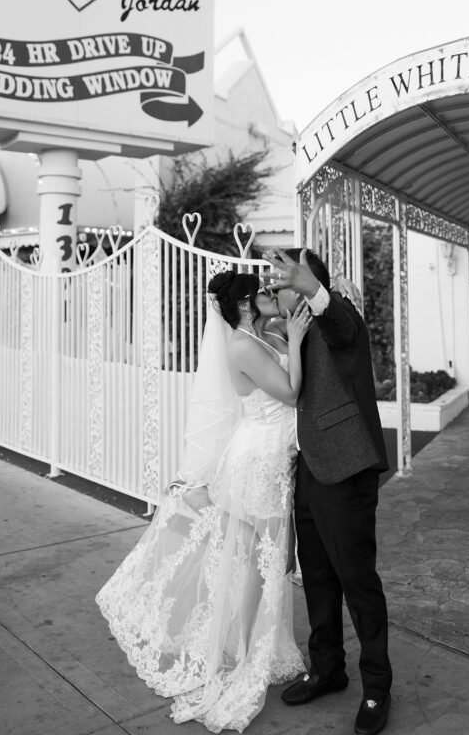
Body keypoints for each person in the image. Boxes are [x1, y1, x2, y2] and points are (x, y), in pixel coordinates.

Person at [96, 269, 311, 733]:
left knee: (266, 560)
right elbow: (291, 393)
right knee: (265, 560)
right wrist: (294, 338)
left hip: (268, 456)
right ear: (242, 305)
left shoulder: (258, 334)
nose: (272, 297)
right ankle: (246, 656)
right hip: (259, 463)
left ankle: (259, 647)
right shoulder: (241, 345)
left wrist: (289, 325)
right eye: (263, 294)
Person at [267, 247, 393, 735]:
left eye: (285, 281)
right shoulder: (291, 332)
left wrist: (312, 289)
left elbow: (339, 324)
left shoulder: (341, 321)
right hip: (307, 472)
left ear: (306, 285)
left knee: (358, 582)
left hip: (346, 469)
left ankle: (377, 688)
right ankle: (328, 669)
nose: (277, 288)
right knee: (317, 578)